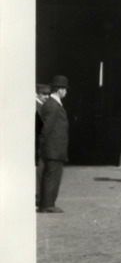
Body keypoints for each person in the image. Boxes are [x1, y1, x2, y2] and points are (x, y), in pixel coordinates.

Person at [39, 75, 70, 213]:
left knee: (50, 175)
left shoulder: (51, 104)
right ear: (59, 90)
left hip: (54, 148)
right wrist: (41, 144)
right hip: (53, 148)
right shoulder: (53, 105)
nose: (66, 92)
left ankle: (46, 203)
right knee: (52, 176)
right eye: (65, 89)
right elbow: (46, 128)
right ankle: (48, 205)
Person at [35, 83, 50, 208]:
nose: (46, 97)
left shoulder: (42, 106)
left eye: (48, 94)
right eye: (44, 94)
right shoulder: (36, 107)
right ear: (37, 94)